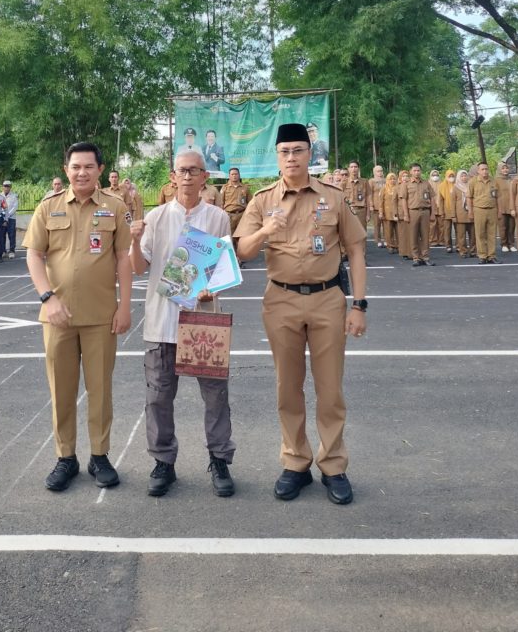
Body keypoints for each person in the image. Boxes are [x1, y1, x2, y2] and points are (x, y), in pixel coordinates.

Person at [235, 123, 367, 505]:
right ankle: (295, 462)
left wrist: (359, 304)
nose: (291, 157)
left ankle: (333, 465)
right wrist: (265, 230)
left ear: (310, 154)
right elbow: (242, 250)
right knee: (287, 387)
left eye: (298, 150)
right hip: (281, 301)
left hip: (327, 299)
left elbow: (356, 249)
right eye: (284, 151)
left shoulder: (333, 197)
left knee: (330, 389)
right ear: (276, 156)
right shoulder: (262, 200)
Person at [24, 141, 132, 493]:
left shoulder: (115, 207)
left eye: (88, 166)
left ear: (100, 169)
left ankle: (99, 456)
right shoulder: (49, 206)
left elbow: (124, 259)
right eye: (75, 167)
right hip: (58, 316)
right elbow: (34, 255)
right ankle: (65, 457)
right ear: (66, 170)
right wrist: (47, 297)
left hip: (102, 316)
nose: (81, 172)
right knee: (62, 390)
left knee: (100, 390)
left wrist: (125, 306)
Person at [129, 149, 236, 498]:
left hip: (204, 320)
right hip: (162, 321)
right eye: (182, 171)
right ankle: (163, 462)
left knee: (216, 397)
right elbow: (138, 268)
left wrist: (211, 288)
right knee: (158, 397)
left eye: (195, 170)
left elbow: (225, 268)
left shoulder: (218, 218)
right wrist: (134, 240)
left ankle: (219, 460)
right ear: (172, 177)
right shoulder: (157, 217)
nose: (188, 176)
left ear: (205, 177)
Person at [398, 164, 435, 267]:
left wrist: (433, 213)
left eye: (418, 170)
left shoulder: (426, 183)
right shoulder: (406, 184)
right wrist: (406, 214)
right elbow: (404, 200)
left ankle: (425, 257)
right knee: (413, 235)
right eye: (414, 170)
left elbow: (432, 198)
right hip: (412, 212)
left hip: (425, 211)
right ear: (410, 172)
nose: (417, 172)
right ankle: (416, 258)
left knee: (425, 235)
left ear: (421, 171)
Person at [468, 163, 499, 264]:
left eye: (486, 169)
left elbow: (497, 197)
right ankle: (482, 256)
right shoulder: (473, 181)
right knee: (480, 234)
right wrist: (470, 212)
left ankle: (491, 256)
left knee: (492, 234)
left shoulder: (493, 181)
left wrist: (499, 211)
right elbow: (469, 197)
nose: (485, 171)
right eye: (482, 169)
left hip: (492, 209)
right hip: (479, 209)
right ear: (478, 171)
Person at [220, 167, 252, 236]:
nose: (234, 176)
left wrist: (248, 214)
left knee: (242, 235)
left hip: (242, 215)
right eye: (232, 174)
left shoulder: (245, 187)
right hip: (229, 216)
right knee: (229, 236)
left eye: (236, 174)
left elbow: (251, 202)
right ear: (229, 176)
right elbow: (221, 203)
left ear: (239, 175)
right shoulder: (225, 187)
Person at [343, 162, 369, 241]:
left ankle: (362, 249)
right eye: (351, 167)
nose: (353, 169)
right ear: (348, 169)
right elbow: (340, 198)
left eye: (355, 167)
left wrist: (368, 214)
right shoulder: (344, 182)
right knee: (349, 233)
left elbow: (368, 198)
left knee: (362, 233)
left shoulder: (364, 182)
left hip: (361, 210)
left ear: (358, 168)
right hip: (348, 211)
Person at [454, 169, 476, 258]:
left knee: (473, 235)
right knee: (461, 235)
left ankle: (473, 251)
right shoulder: (455, 187)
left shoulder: (471, 186)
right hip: (460, 214)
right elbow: (452, 203)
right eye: (462, 176)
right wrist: (453, 215)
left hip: (471, 213)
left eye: (465, 176)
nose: (464, 178)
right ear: (459, 177)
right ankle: (463, 251)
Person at [495, 162, 516, 253]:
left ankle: (511, 244)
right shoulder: (496, 180)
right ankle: (504, 244)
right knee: (503, 227)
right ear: (500, 170)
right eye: (503, 168)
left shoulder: (512, 179)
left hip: (511, 206)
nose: (505, 170)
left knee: (512, 226)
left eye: (506, 168)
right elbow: (494, 195)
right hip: (501, 206)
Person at [439, 170, 457, 253]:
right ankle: (448, 246)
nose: (451, 178)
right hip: (446, 210)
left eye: (453, 176)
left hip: (456, 211)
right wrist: (441, 212)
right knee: (447, 229)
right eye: (449, 176)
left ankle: (459, 245)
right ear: (446, 177)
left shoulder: (458, 185)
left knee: (458, 229)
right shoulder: (442, 186)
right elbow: (440, 200)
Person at [0, 180, 18, 259]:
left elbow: (15, 207)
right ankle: (3, 251)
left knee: (12, 235)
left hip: (11, 218)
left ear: (10, 187)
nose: (6, 188)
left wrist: (8, 215)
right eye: (5, 186)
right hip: (2, 218)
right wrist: (3, 216)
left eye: (8, 186)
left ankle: (12, 251)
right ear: (2, 187)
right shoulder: (0, 196)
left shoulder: (14, 196)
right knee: (2, 235)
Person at [381, 172, 398, 254]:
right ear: (387, 180)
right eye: (390, 179)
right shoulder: (384, 189)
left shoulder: (398, 188)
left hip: (397, 212)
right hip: (387, 212)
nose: (392, 180)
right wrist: (381, 212)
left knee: (398, 231)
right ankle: (390, 246)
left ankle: (398, 246)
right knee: (389, 231)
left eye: (394, 179)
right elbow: (381, 202)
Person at [368, 165, 385, 247]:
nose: (380, 172)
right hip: (376, 206)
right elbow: (369, 194)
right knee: (377, 224)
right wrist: (371, 204)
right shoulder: (371, 181)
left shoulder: (386, 180)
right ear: (374, 172)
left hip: (385, 206)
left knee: (386, 225)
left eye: (381, 171)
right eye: (378, 171)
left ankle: (386, 239)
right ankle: (378, 240)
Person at [396, 170, 412, 259]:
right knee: (403, 234)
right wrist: (395, 214)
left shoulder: (411, 186)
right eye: (403, 176)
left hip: (411, 212)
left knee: (411, 234)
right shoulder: (397, 187)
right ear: (400, 178)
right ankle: (403, 252)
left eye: (407, 176)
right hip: (401, 214)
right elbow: (394, 201)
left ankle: (411, 252)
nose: (405, 178)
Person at [428, 169, 444, 247]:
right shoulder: (428, 184)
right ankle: (432, 240)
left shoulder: (442, 184)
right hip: (431, 207)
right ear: (430, 176)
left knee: (441, 225)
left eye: (437, 175)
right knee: (432, 225)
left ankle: (441, 240)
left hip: (440, 206)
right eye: (433, 175)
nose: (435, 176)